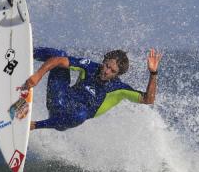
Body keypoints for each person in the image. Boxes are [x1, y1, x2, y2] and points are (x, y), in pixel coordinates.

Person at [19, 47, 162, 131]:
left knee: (81, 113)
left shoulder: (118, 89)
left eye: (112, 71)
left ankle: (34, 125)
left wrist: (153, 73)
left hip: (66, 119)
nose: (107, 71)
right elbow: (59, 61)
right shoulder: (90, 67)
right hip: (58, 98)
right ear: (104, 61)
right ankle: (25, 52)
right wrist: (38, 75)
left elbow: (148, 99)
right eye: (107, 66)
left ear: (117, 74)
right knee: (60, 55)